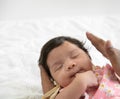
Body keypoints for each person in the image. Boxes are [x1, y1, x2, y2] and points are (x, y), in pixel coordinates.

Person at [38, 32, 120, 99]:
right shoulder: (65, 92)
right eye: (59, 67)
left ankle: (113, 54)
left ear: (88, 56)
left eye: (75, 56)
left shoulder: (106, 72)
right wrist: (80, 82)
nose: (70, 64)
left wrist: (113, 57)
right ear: (54, 80)